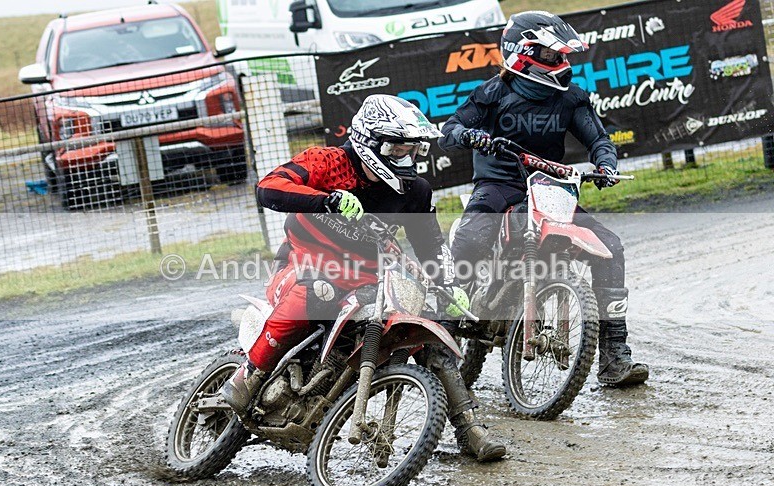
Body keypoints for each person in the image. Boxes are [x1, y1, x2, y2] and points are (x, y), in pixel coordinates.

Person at [222, 94, 506, 461]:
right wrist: (326, 200)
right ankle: (250, 375)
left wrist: (450, 285)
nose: (406, 157)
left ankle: (468, 428)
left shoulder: (414, 190)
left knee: (427, 329)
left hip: (370, 273)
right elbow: (269, 187)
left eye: (412, 150)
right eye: (397, 147)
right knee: (316, 289)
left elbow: (430, 244)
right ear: (370, 141)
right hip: (304, 260)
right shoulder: (326, 161)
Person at [439, 11, 648, 387]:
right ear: (522, 53)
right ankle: (441, 344)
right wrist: (473, 137)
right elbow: (450, 129)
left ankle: (615, 357)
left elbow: (599, 140)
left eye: (562, 57)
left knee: (611, 248)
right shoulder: (492, 92)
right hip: (499, 186)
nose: (560, 64)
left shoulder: (572, 97)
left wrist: (605, 165)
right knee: (469, 238)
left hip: (551, 188)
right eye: (552, 56)